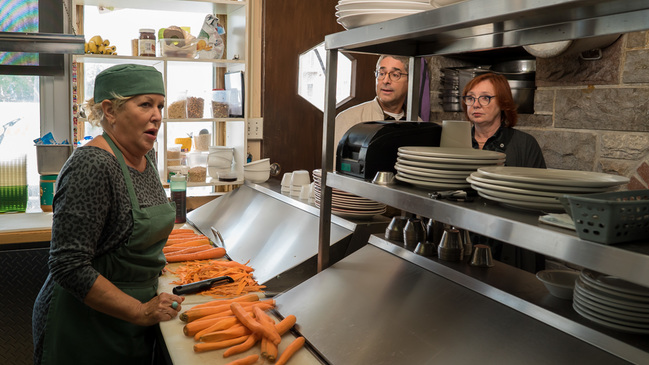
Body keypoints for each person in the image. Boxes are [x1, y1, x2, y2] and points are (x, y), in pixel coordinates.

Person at [32, 64, 184, 364]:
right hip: (85, 326)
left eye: (160, 106)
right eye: (145, 104)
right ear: (110, 111)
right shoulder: (92, 165)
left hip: (129, 322)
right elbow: (68, 265)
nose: (157, 115)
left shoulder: (145, 157)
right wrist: (140, 311)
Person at [462, 72, 547, 273]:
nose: (476, 104)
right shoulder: (455, 141)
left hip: (510, 243)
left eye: (485, 97)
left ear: (503, 103)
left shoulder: (525, 144)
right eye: (470, 98)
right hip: (463, 238)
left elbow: (539, 200)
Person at [335, 54, 413, 146]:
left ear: (410, 80)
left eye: (395, 75)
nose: (385, 81)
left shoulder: (418, 123)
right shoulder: (348, 119)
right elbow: (335, 160)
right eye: (381, 73)